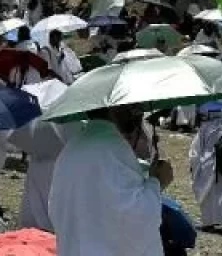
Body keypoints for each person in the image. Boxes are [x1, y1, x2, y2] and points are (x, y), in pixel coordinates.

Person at [49, 105, 172, 256]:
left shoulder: (73, 146)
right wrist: (157, 182)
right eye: (130, 107)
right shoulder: (112, 146)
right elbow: (136, 218)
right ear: (115, 109)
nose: (134, 112)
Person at [188, 103, 222, 233]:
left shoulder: (205, 127)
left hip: (210, 166)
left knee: (210, 194)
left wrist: (194, 165)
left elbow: (196, 150)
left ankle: (209, 223)